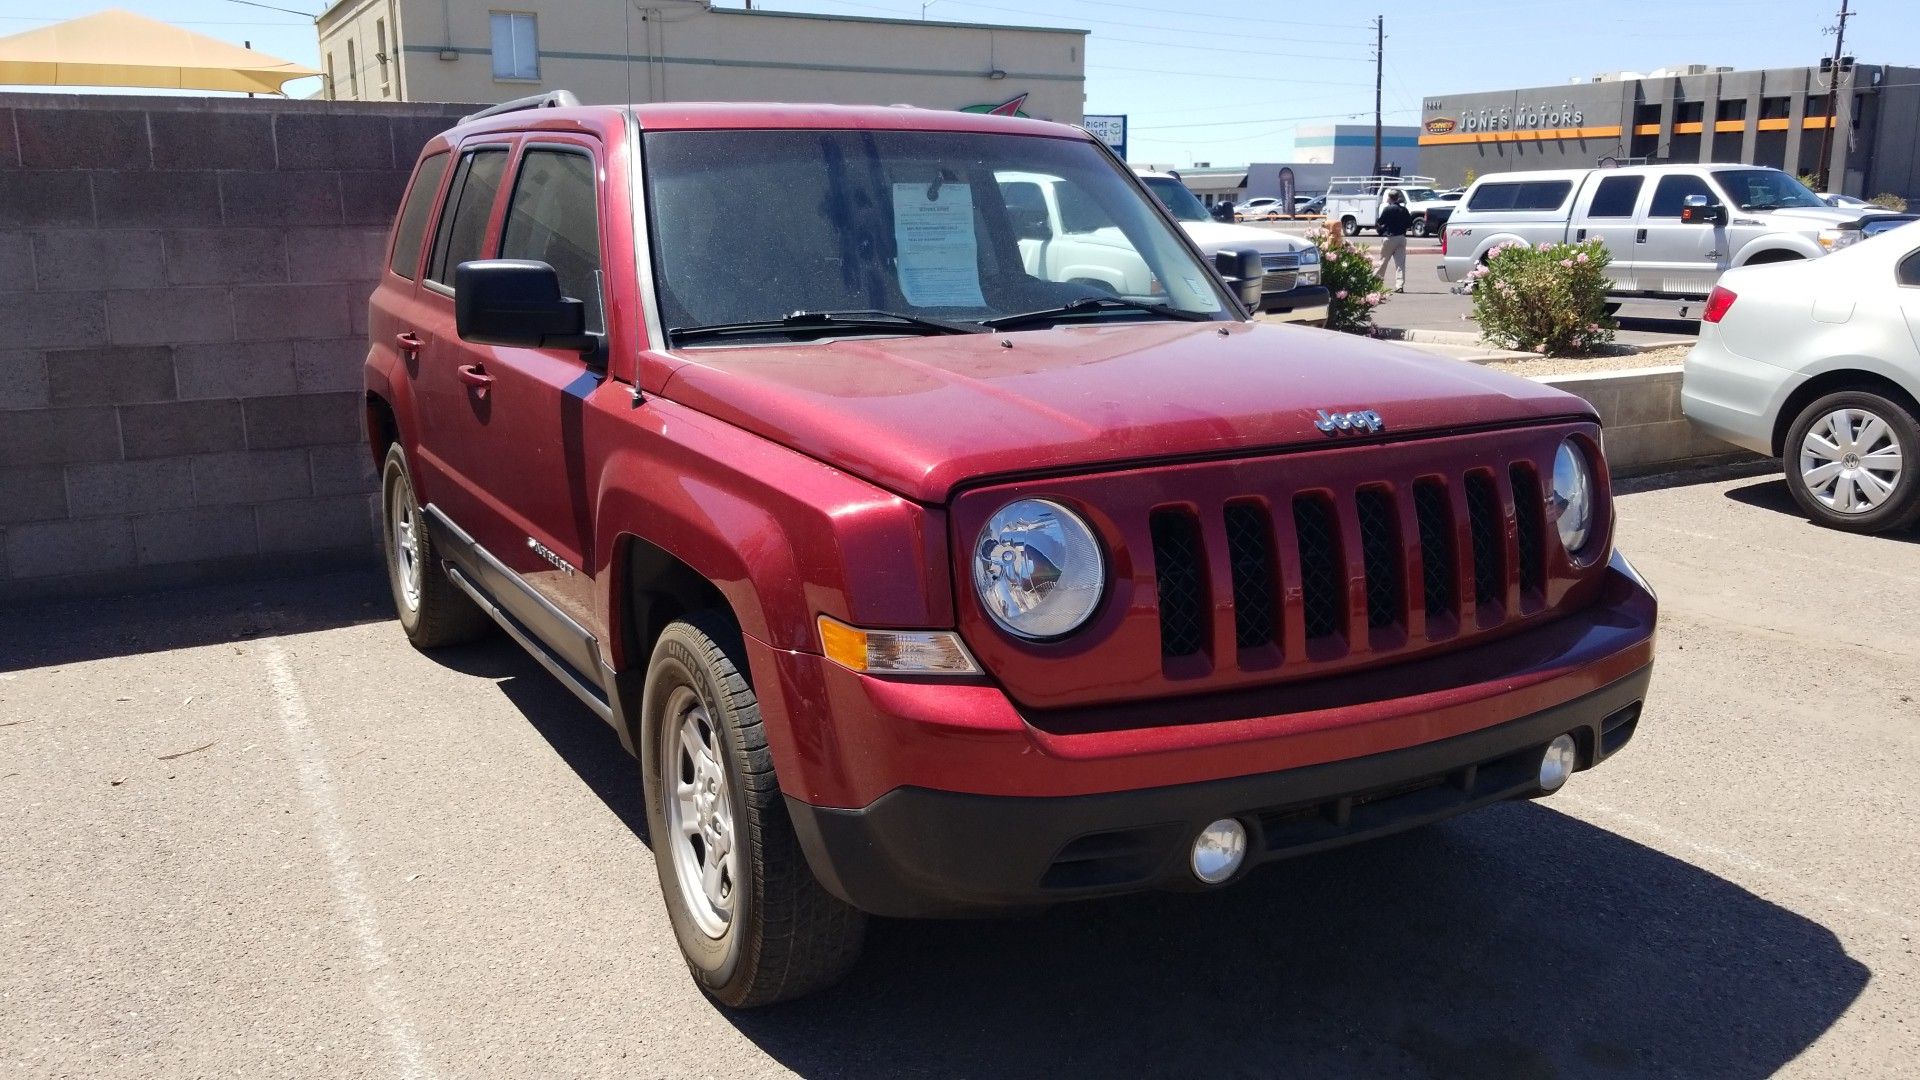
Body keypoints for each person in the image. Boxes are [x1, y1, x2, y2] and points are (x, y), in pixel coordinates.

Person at [1375, 189, 1413, 293]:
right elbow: (1409, 224)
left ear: (1390, 198)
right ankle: (1399, 285)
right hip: (1401, 238)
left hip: (1390, 237)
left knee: (1383, 261)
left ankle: (1376, 282)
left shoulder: (1387, 209)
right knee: (1400, 263)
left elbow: (1380, 222)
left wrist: (1382, 229)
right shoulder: (1403, 210)